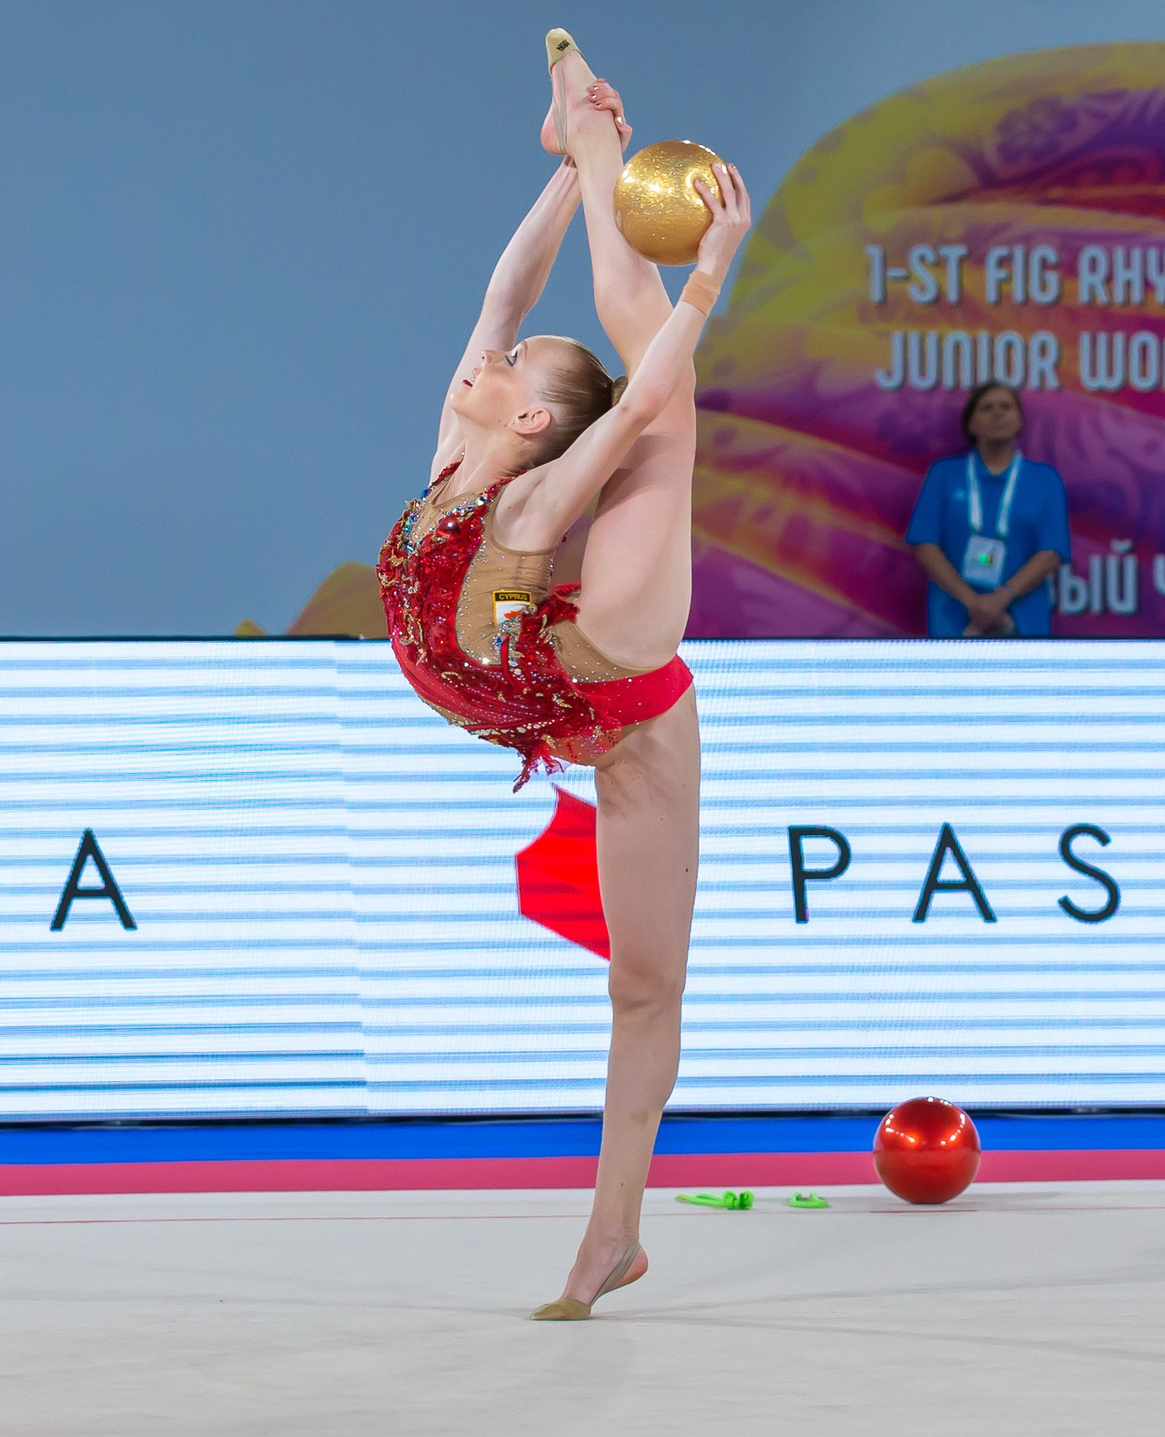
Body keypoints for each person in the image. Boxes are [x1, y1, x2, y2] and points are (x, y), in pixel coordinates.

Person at [375, 29, 748, 1320]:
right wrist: (555, 172)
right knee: (638, 374)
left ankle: (613, 1234)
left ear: (529, 420)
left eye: (515, 367)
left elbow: (632, 409)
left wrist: (707, 277)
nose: (489, 351)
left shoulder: (531, 501)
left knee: (642, 983)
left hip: (614, 682)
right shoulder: (455, 448)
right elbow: (501, 294)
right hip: (536, 684)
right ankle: (584, 152)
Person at [906, 382, 1072, 636]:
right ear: (971, 424)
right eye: (986, 408)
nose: (998, 413)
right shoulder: (944, 474)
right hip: (954, 618)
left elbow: (1051, 552)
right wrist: (974, 602)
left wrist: (1000, 599)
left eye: (1006, 407)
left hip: (1023, 620)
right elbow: (925, 546)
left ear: (1020, 422)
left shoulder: (1045, 479)